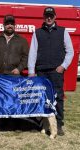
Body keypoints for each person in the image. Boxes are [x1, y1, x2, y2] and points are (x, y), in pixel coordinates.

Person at [28, 7, 74, 136]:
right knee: (41, 98)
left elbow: (70, 51)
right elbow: (33, 52)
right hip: (41, 71)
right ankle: (42, 123)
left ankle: (58, 124)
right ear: (43, 17)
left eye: (51, 16)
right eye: (47, 16)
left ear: (55, 17)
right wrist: (31, 71)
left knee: (57, 97)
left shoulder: (63, 31)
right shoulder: (37, 32)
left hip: (56, 71)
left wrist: (63, 66)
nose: (49, 18)